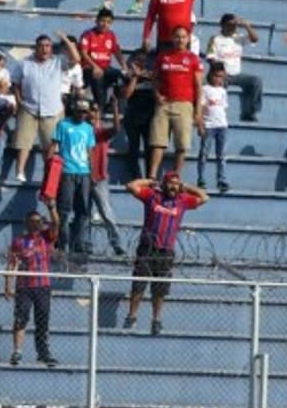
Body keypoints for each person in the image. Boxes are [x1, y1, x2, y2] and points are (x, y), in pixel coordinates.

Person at [123, 172, 207, 334]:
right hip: (147, 248)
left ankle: (156, 320)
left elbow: (204, 197)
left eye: (176, 184)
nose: (173, 186)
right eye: (170, 183)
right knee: (138, 285)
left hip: (166, 251)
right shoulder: (152, 197)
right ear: (164, 184)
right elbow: (131, 186)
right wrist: (151, 182)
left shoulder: (182, 201)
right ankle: (132, 316)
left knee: (160, 289)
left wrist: (186, 187)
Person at [12, 33, 78, 183]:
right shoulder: (25, 63)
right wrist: (19, 99)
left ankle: (48, 175)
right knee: (24, 142)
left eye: (47, 46)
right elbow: (15, 83)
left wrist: (66, 40)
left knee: (50, 146)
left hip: (52, 109)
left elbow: (76, 59)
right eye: (41, 46)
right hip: (29, 107)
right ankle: (20, 170)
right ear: (36, 47)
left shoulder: (58, 61)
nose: (44, 49)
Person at [6, 199, 62, 366]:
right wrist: (8, 284)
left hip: (42, 285)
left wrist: (52, 207)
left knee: (42, 321)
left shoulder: (45, 238)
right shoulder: (19, 241)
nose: (37, 224)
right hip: (24, 286)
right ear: (27, 223)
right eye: (33, 221)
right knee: (20, 319)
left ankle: (43, 353)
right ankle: (17, 352)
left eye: (39, 221)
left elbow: (56, 224)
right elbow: (12, 264)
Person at [148, 25, 202, 180]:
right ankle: (152, 176)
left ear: (188, 39)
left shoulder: (193, 59)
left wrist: (198, 111)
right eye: (177, 36)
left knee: (182, 144)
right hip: (164, 104)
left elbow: (198, 86)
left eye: (183, 37)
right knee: (158, 142)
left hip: (184, 104)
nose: (180, 40)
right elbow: (155, 79)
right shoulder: (164, 57)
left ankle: (175, 177)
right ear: (172, 38)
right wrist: (156, 94)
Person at [52, 98, 96, 255]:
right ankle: (62, 241)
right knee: (64, 209)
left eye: (85, 112)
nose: (82, 115)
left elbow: (90, 152)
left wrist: (92, 173)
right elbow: (54, 146)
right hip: (67, 171)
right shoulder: (63, 125)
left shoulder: (88, 128)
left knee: (83, 210)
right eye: (79, 111)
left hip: (84, 172)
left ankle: (78, 242)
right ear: (74, 110)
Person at [206, 14, 262, 122]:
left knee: (256, 81)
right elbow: (211, 59)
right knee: (217, 85)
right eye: (229, 25)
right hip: (222, 74)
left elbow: (255, 39)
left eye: (234, 25)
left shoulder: (238, 38)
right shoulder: (215, 39)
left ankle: (251, 111)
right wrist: (221, 73)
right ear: (222, 25)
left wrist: (246, 25)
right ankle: (217, 114)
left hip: (237, 74)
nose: (232, 28)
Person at [89, 99, 124, 256]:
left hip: (99, 177)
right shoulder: (80, 131)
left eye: (96, 110)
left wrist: (115, 109)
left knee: (106, 212)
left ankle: (116, 243)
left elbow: (116, 129)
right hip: (82, 177)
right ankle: (83, 242)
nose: (93, 114)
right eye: (91, 110)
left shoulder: (100, 132)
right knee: (83, 213)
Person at [142, 0, 210, 52]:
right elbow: (150, 17)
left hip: (183, 40)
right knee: (163, 64)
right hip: (165, 40)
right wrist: (146, 36)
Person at [80, 8, 127, 110]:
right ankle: (100, 108)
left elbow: (116, 51)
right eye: (102, 21)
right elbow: (83, 53)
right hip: (89, 68)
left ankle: (114, 102)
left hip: (106, 68)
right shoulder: (88, 34)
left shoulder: (111, 35)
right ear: (96, 21)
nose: (105, 24)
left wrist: (124, 66)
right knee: (98, 76)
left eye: (108, 22)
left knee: (124, 77)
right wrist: (95, 67)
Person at [120, 50, 156, 180]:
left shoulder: (152, 76)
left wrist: (146, 74)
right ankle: (134, 176)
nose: (140, 64)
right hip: (132, 115)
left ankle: (149, 177)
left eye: (143, 61)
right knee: (133, 146)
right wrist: (134, 78)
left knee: (149, 147)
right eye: (137, 61)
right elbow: (126, 95)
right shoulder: (126, 77)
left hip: (149, 115)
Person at [196, 62, 228, 193]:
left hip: (222, 126)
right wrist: (200, 124)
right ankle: (201, 178)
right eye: (216, 76)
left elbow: (224, 108)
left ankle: (222, 179)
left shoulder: (223, 91)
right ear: (210, 75)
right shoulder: (205, 89)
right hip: (209, 125)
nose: (218, 79)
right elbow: (202, 107)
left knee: (221, 155)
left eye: (221, 76)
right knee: (204, 153)